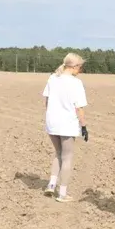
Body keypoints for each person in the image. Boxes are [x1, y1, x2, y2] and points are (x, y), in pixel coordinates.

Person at [42, 53, 89, 202]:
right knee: (67, 157)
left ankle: (51, 184)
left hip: (52, 122)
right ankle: (62, 194)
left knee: (58, 153)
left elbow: (47, 101)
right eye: (80, 67)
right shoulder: (76, 83)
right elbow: (79, 108)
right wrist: (83, 126)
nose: (80, 71)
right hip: (67, 124)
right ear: (74, 67)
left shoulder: (52, 78)